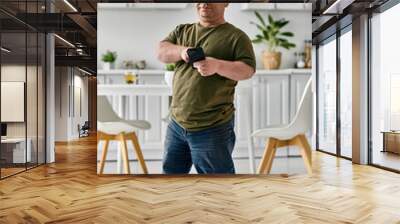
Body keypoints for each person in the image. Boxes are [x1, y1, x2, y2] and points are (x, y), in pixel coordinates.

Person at [157, 3, 256, 174]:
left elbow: (247, 70)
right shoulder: (182, 31)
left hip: (212, 127)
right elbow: (161, 52)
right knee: (170, 180)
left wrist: (217, 65)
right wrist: (182, 52)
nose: (204, 3)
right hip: (176, 124)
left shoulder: (237, 37)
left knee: (218, 187)